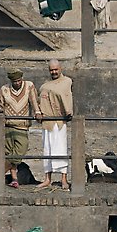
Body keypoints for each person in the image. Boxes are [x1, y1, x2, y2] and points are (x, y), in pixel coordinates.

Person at [0, 68, 42, 188]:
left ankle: (0, 173)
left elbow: (34, 101)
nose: (17, 83)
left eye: (19, 80)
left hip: (22, 126)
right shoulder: (4, 89)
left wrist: (37, 112)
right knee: (8, 153)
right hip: (7, 126)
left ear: (22, 78)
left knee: (19, 152)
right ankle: (14, 179)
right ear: (11, 81)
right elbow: (0, 106)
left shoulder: (29, 86)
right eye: (15, 81)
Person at [37, 59, 73, 190]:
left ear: (60, 68)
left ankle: (64, 179)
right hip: (47, 122)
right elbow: (40, 97)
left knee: (61, 149)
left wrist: (68, 111)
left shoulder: (66, 81)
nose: (54, 72)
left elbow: (65, 96)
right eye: (51, 70)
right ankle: (47, 179)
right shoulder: (45, 85)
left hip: (59, 121)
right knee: (47, 149)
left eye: (55, 69)